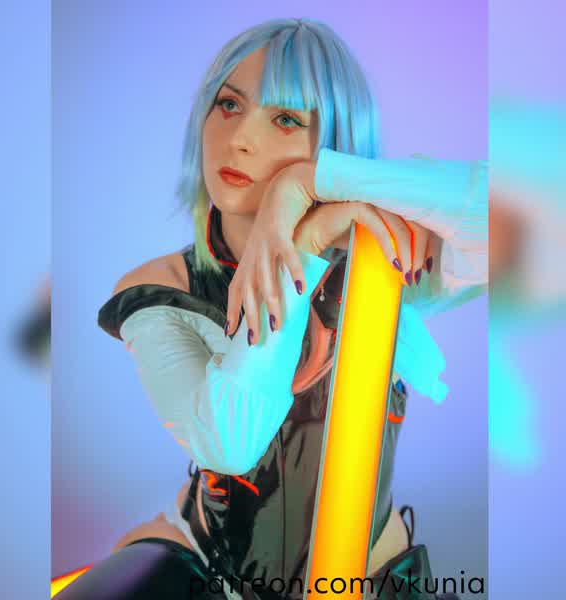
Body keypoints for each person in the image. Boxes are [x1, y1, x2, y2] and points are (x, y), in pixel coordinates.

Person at [94, 18, 487, 600]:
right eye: (229, 105)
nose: (239, 138)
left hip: (367, 581)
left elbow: (535, 215)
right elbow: (231, 444)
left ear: (333, 142)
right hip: (207, 568)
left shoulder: (385, 260)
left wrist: (306, 184)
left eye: (285, 120)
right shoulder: (161, 287)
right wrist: (299, 250)